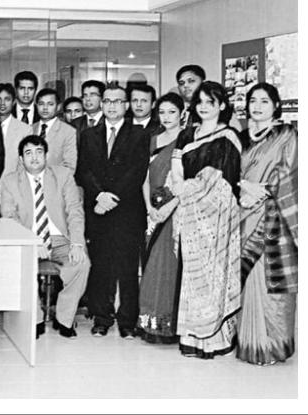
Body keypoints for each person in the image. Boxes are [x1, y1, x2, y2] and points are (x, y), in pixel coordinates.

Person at [166, 81, 242, 359]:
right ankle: (191, 337)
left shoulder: (229, 137)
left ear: (221, 105)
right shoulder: (187, 135)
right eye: (199, 101)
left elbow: (221, 180)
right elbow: (176, 171)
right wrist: (179, 188)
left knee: (214, 275)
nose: (204, 107)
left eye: (211, 102)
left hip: (216, 218)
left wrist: (188, 190)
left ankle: (214, 339)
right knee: (191, 277)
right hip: (189, 216)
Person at [75, 85, 150, 339]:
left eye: (117, 101)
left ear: (126, 105)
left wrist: (111, 197)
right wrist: (99, 196)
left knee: (127, 268)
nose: (111, 106)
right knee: (100, 267)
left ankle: (127, 320)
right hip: (98, 210)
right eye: (107, 101)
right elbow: (83, 170)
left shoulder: (139, 134)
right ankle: (101, 317)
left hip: (127, 211)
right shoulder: (88, 135)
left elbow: (137, 172)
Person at [0, 135, 89, 339]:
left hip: (60, 240)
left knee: (81, 264)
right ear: (21, 159)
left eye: (39, 152)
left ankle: (63, 318)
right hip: (28, 239)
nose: (34, 157)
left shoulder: (63, 175)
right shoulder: (10, 181)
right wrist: (33, 242)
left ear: (46, 155)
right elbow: (9, 218)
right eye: (28, 153)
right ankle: (35, 319)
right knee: (22, 268)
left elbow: (74, 211)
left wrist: (76, 243)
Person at [235, 83, 297, 365]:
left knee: (273, 283)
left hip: (275, 218)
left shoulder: (287, 135)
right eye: (253, 101)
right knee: (246, 280)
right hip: (242, 215)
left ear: (276, 105)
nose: (257, 106)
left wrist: (264, 190)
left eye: (264, 101)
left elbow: (293, 171)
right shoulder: (239, 138)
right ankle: (250, 343)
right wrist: (242, 188)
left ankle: (274, 345)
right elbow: (227, 169)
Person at [137, 92, 186, 344]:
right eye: (162, 112)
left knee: (169, 265)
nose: (166, 117)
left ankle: (169, 324)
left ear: (182, 113)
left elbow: (189, 179)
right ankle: (150, 321)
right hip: (152, 211)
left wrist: (171, 206)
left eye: (172, 112)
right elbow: (144, 177)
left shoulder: (189, 139)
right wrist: (149, 207)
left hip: (177, 210)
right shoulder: (152, 140)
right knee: (151, 265)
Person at [33, 88, 77, 173]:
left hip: (56, 180)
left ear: (58, 107)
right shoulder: (29, 129)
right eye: (41, 104)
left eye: (50, 104)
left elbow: (69, 166)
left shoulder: (68, 131)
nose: (45, 108)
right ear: (36, 105)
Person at [0, 83, 30, 177]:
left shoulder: (25, 130)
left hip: (13, 183)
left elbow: (25, 164)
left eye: (7, 99)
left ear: (14, 102)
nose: (2, 103)